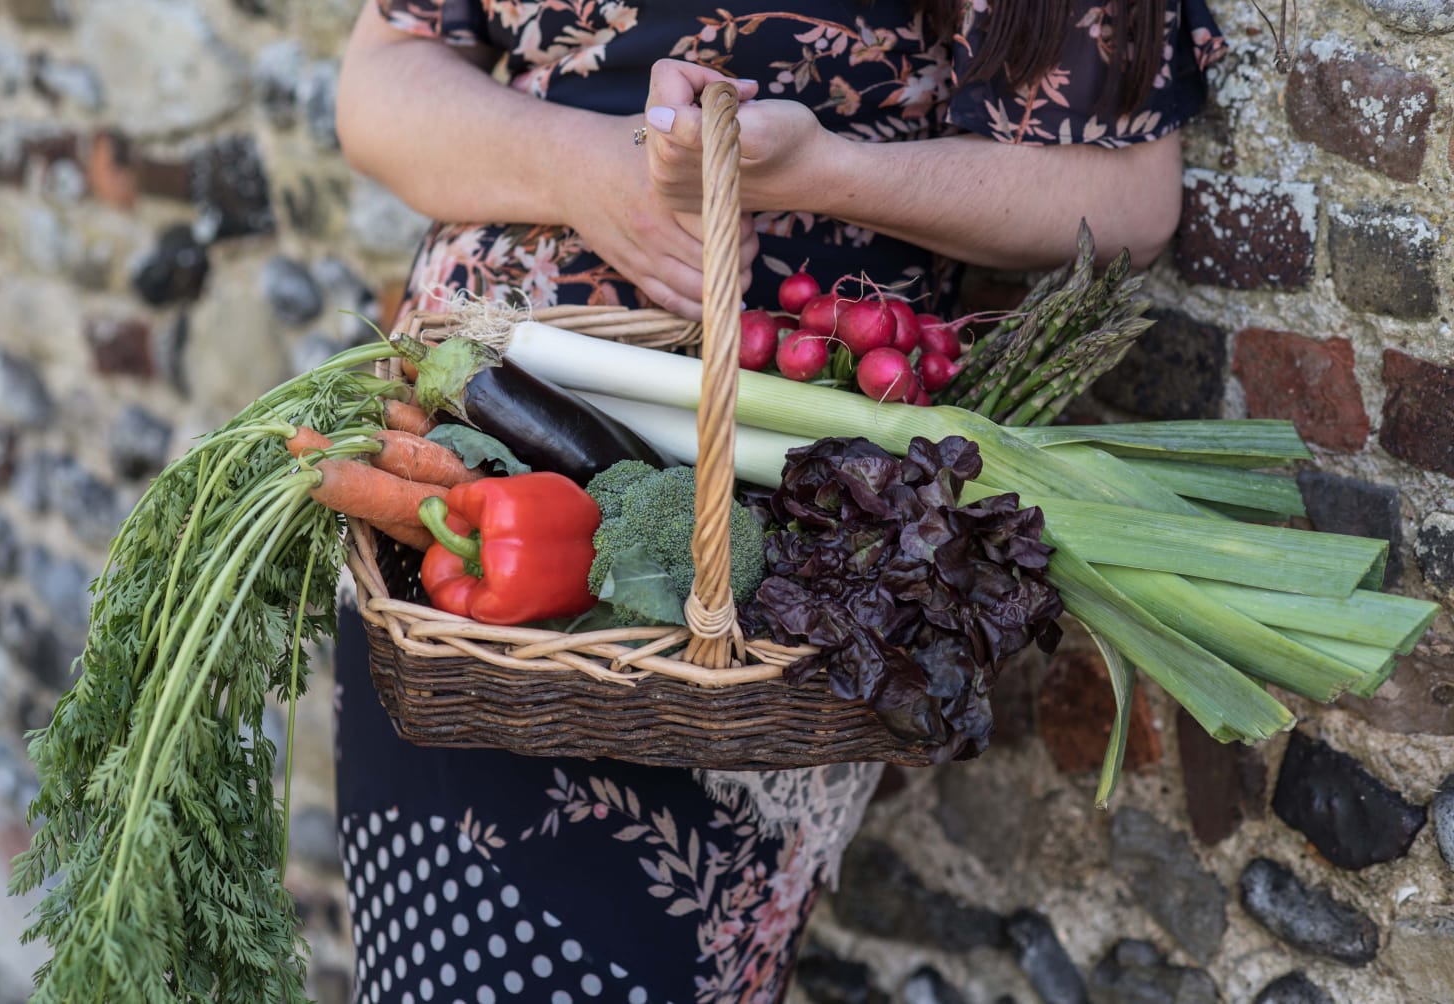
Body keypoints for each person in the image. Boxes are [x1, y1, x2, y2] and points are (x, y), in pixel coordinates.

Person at [330, 2, 1226, 1002]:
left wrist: (820, 173)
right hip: (444, 479)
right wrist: (578, 163)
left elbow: (1128, 195)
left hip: (783, 527)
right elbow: (378, 84)